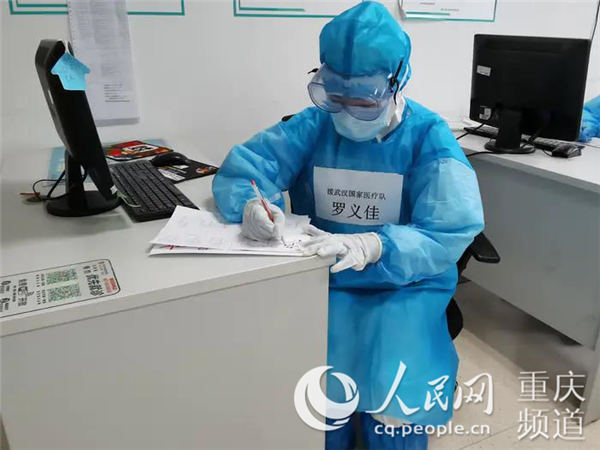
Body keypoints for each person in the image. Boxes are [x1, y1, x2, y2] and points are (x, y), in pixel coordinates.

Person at [212, 2, 484, 448]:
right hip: (321, 276)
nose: (345, 112)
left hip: (404, 286)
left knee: (392, 388)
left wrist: (376, 246)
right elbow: (248, 169)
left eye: (363, 100)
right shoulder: (314, 126)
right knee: (312, 390)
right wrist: (251, 206)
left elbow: (450, 228)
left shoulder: (428, 138)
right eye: (335, 97)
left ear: (397, 81)